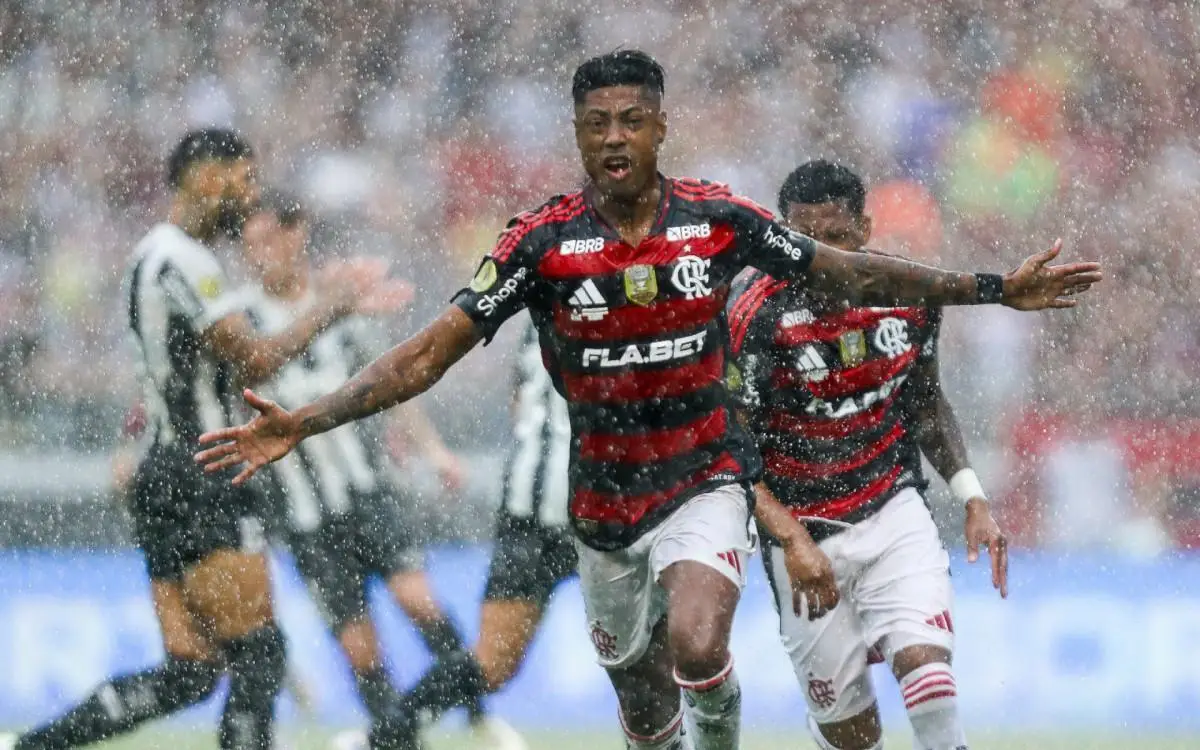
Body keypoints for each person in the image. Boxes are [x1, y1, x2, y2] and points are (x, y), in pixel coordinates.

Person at [194, 51, 1099, 750]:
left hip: (703, 480)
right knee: (640, 693)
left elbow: (849, 269)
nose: (615, 137)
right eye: (597, 124)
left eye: (632, 120)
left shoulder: (716, 221)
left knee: (700, 643)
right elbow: (431, 352)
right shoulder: (537, 246)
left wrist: (989, 288)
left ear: (661, 127)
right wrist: (307, 421)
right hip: (602, 506)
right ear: (578, 135)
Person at [1, 128, 387, 750]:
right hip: (200, 473)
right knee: (261, 654)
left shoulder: (157, 256)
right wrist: (333, 305)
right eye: (244, 181)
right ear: (207, 178)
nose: (252, 196)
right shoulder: (181, 257)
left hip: (166, 472)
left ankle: (31, 746)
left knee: (192, 671)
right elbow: (255, 359)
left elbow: (173, 369)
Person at [727, 160, 1011, 750]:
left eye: (835, 238)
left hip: (892, 512)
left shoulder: (907, 296)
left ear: (864, 229)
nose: (820, 256)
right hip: (802, 536)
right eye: (804, 240)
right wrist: (792, 538)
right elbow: (732, 454)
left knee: (929, 678)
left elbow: (927, 405)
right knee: (852, 735)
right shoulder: (754, 315)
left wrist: (972, 495)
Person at [237, 192, 521, 749]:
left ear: (297, 237)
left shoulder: (340, 307)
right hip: (306, 518)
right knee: (360, 650)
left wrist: (433, 451)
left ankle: (478, 719)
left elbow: (391, 387)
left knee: (420, 603)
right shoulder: (242, 320)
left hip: (369, 495)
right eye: (250, 245)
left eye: (269, 239)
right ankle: (396, 739)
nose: (259, 254)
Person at [380, 315, 575, 749]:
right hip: (552, 509)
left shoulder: (547, 304)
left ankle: (387, 734)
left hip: (559, 505)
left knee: (657, 652)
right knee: (493, 662)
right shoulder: (591, 293)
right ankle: (388, 735)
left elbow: (518, 401)